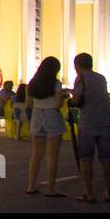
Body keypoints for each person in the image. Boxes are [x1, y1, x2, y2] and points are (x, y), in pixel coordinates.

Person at [70, 53, 110, 203]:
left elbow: (76, 100)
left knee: (86, 159)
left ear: (77, 66)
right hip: (105, 123)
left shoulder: (81, 78)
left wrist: (70, 97)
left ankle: (89, 193)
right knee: (106, 159)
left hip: (88, 123)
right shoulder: (101, 78)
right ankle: (108, 192)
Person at [25, 56, 71, 196]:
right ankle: (51, 189)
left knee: (36, 154)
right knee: (52, 156)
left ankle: (31, 186)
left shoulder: (32, 83)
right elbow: (57, 104)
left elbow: (28, 104)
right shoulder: (55, 83)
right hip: (52, 115)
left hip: (37, 116)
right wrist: (62, 97)